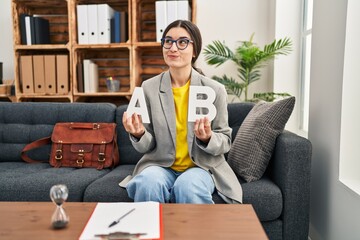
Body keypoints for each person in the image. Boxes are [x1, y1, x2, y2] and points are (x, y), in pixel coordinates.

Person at [119, 20, 242, 204]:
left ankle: (195, 233)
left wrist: (207, 137)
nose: (173, 48)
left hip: (201, 167)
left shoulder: (214, 89)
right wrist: (138, 133)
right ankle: (151, 232)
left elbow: (225, 141)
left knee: (188, 185)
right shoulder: (149, 88)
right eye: (168, 41)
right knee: (147, 182)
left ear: (194, 51)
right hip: (160, 165)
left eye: (182, 42)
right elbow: (146, 146)